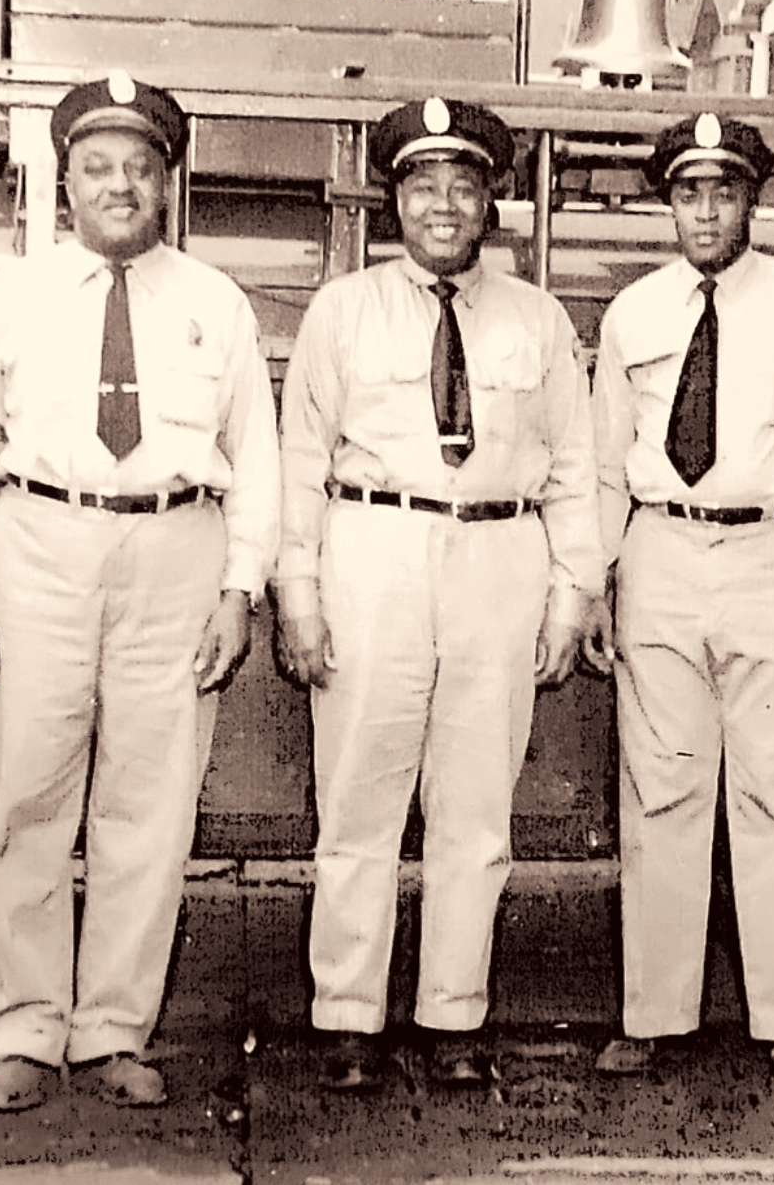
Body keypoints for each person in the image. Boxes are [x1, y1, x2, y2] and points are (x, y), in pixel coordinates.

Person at [0, 71, 279, 1109]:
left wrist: (239, 589)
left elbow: (253, 458)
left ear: (167, 182)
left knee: (149, 805)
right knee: (29, 797)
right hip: (40, 544)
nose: (119, 186)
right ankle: (26, 1031)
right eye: (97, 167)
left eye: (140, 167)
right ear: (64, 180)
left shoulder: (215, 304)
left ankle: (115, 1030)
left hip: (175, 550)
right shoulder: (13, 297)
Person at [276, 96, 601, 1091]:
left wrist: (571, 595)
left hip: (499, 560)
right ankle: (347, 1016)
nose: (445, 206)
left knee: (474, 812)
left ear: (492, 199)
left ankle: (456, 1016)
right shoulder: (343, 309)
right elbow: (300, 461)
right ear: (394, 200)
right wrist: (298, 594)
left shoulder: (538, 319)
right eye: (423, 186)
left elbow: (575, 470)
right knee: (361, 802)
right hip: (372, 550)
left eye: (465, 186)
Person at [582, 113, 774, 1089]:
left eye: (725, 191)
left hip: (772, 552)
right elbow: (605, 466)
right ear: (669, 201)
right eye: (689, 192)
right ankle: (654, 1014)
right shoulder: (636, 313)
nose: (706, 210)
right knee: (661, 788)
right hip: (661, 553)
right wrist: (597, 583)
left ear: (753, 198)